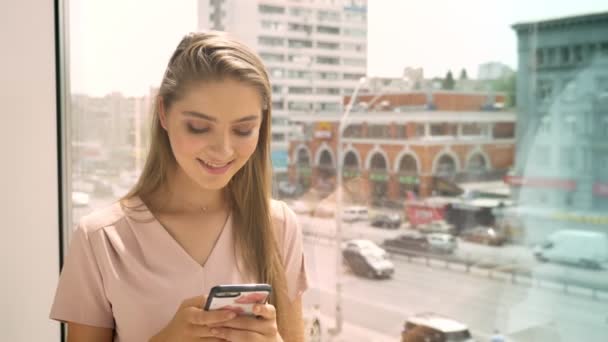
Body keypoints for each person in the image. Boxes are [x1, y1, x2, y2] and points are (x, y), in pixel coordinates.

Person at [50, 31, 308, 342]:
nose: (223, 150)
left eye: (243, 129)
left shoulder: (278, 226)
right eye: (199, 127)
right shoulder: (101, 239)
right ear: (163, 113)